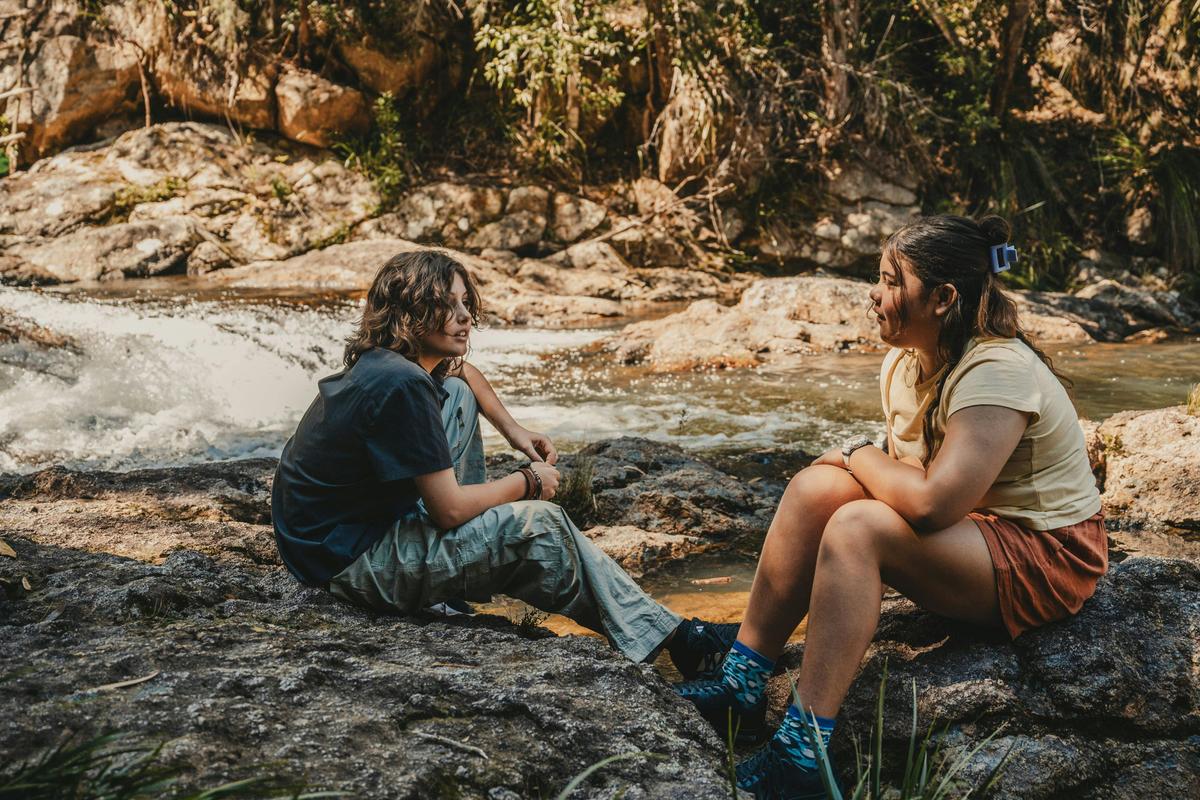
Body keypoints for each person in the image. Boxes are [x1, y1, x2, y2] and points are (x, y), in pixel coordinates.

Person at [676, 216, 1107, 800]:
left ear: (943, 298)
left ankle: (804, 757)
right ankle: (743, 681)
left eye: (888, 280)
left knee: (858, 526)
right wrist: (850, 465)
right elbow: (908, 469)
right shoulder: (905, 363)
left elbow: (930, 504)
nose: (872, 295)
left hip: (1046, 556)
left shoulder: (997, 371)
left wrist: (855, 453)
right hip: (978, 530)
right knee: (815, 488)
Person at [271, 248, 735, 675]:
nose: (465, 317)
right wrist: (526, 482)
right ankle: (676, 637)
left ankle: (452, 583)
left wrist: (513, 431)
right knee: (542, 524)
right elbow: (448, 510)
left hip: (324, 543)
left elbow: (463, 376)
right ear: (409, 312)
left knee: (454, 393)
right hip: (349, 565)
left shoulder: (387, 363)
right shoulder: (404, 386)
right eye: (447, 306)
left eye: (465, 303)